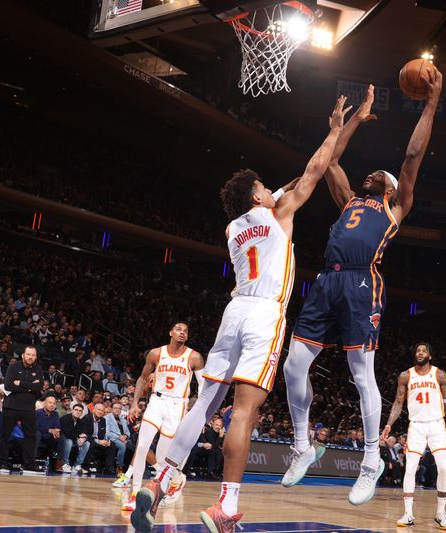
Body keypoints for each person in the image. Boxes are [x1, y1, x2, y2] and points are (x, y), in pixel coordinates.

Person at [131, 95, 352, 533]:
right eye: (265, 186)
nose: (273, 189)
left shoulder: (234, 228)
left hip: (234, 312)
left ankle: (157, 484)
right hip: (265, 315)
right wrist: (334, 130)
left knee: (204, 405)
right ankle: (225, 508)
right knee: (244, 411)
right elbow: (311, 173)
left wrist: (278, 188)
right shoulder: (278, 214)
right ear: (256, 193)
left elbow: (285, 187)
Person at [283, 69, 443, 506]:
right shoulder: (350, 199)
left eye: (383, 175)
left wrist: (429, 104)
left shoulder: (395, 206)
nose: (375, 172)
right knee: (293, 366)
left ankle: (372, 460)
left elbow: (411, 158)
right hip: (326, 280)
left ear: (392, 189)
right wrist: (346, 125)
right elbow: (330, 160)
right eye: (374, 172)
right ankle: (301, 446)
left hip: (361, 283)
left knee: (361, 375)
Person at [120, 323, 205, 512]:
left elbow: (204, 388)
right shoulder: (156, 353)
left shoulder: (194, 357)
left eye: (185, 331)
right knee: (141, 447)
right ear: (170, 333)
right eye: (178, 329)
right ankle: (135, 496)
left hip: (178, 406)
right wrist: (135, 404)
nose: (182, 332)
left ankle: (174, 479)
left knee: (161, 457)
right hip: (156, 402)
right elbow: (142, 379)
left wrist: (199, 414)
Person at [382, 342, 446, 529]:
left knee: (443, 468)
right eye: (418, 351)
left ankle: (441, 512)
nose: (420, 353)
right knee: (410, 468)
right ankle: (408, 513)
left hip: (437, 424)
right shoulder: (405, 376)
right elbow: (398, 403)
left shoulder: (440, 374)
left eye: (424, 351)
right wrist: (389, 424)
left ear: (430, 356)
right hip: (416, 426)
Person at [0, 345, 43, 475]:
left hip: (29, 408)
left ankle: (29, 465)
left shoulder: (38, 369)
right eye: (28, 354)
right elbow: (8, 385)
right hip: (11, 406)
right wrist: (30, 386)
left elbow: (39, 386)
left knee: (31, 437)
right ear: (23, 355)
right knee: (5, 436)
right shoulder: (13, 367)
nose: (31, 357)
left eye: (33, 355)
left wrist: (20, 383)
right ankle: (3, 463)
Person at [59, 403, 90, 472]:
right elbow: (67, 433)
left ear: (82, 413)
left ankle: (77, 465)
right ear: (72, 410)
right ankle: (65, 464)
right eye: (76, 410)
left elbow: (84, 433)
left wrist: (83, 438)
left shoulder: (81, 421)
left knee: (87, 443)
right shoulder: (65, 419)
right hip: (63, 441)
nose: (78, 412)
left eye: (80, 411)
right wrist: (78, 436)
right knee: (69, 441)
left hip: (74, 441)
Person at [105, 402, 132, 476]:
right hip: (113, 438)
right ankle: (119, 468)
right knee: (122, 446)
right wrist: (119, 437)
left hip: (124, 439)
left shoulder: (123, 419)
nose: (117, 410)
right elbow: (107, 432)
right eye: (115, 408)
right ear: (112, 409)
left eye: (119, 408)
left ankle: (132, 469)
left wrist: (125, 436)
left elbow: (128, 432)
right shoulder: (107, 418)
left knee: (134, 447)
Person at [35, 394, 61, 468]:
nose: (52, 405)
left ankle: (57, 462)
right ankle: (33, 459)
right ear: (45, 403)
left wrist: (56, 431)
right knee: (38, 433)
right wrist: (48, 430)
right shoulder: (37, 413)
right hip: (39, 436)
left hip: (49, 437)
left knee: (59, 436)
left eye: (54, 403)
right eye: (50, 403)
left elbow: (57, 427)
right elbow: (35, 427)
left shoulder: (55, 414)